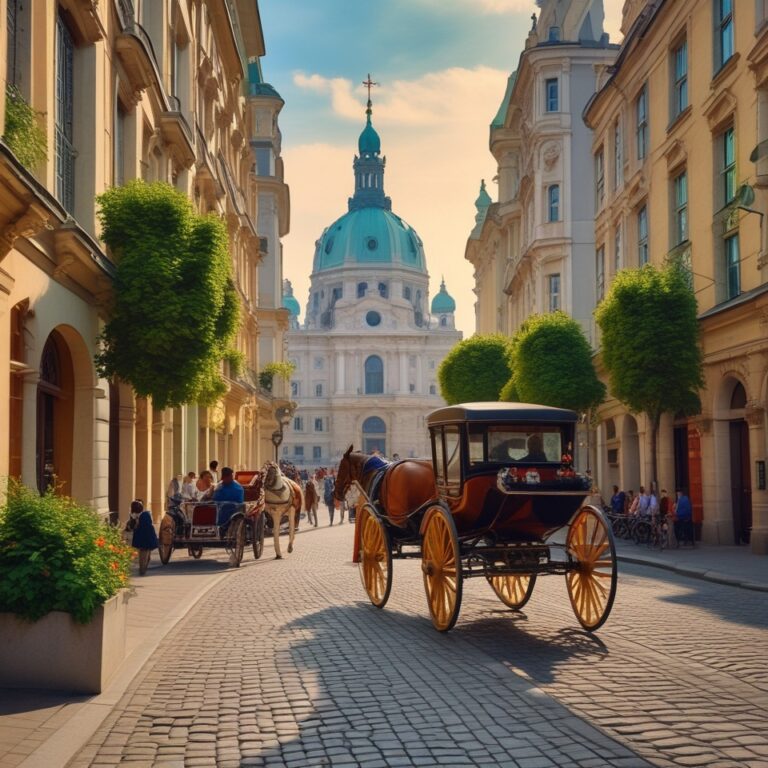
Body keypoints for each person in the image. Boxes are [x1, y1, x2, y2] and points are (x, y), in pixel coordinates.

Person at [130, 499, 158, 576]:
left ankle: (142, 570)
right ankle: (142, 571)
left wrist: (136, 521)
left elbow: (143, 530)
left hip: (145, 540)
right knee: (144, 557)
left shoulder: (144, 516)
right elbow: (132, 528)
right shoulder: (141, 516)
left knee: (144, 557)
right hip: (144, 541)